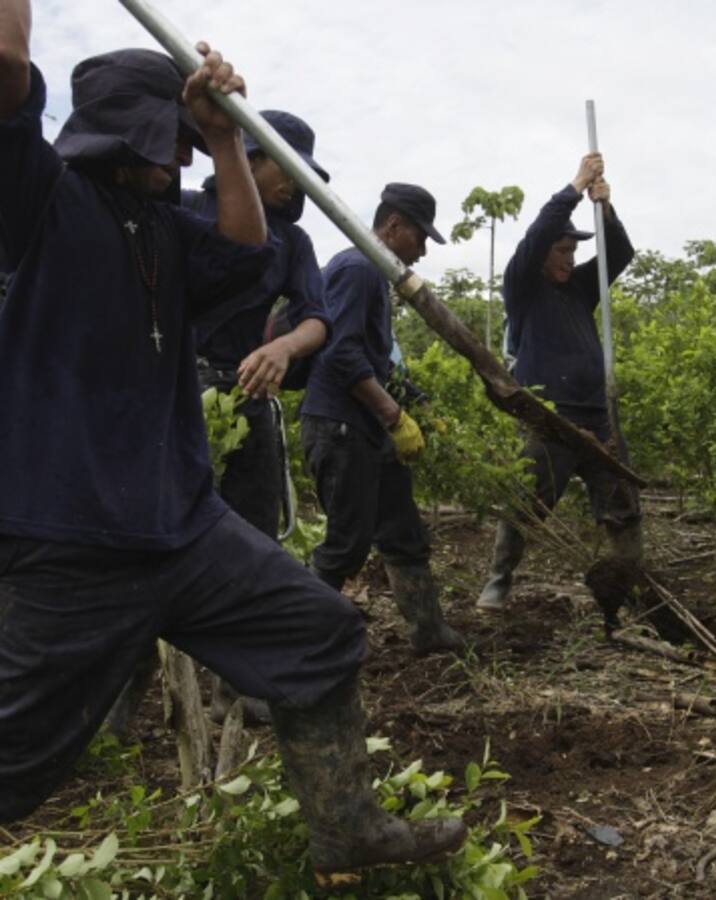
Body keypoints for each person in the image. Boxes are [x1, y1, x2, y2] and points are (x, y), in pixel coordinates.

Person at [0, 2, 465, 882]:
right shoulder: (40, 202)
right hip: (74, 544)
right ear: (121, 139)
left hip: (184, 524)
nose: (178, 155)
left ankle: (347, 828)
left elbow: (250, 249)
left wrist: (223, 141)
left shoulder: (168, 228)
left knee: (319, 631)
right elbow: (6, 70)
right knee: (15, 766)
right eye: (170, 139)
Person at [183, 109, 332, 726]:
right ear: (247, 153)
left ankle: (235, 687)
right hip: (174, 391)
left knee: (252, 538)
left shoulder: (293, 242)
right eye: (285, 167)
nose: (293, 185)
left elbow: (316, 318)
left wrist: (283, 347)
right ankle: (118, 695)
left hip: (246, 394)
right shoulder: (188, 211)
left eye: (302, 175)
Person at [300, 183, 465, 655]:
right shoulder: (357, 269)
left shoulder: (370, 273)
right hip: (341, 428)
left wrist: (418, 402)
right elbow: (341, 353)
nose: (423, 251)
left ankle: (429, 633)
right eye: (421, 238)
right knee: (345, 547)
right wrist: (394, 415)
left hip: (366, 429)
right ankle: (298, 643)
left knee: (403, 534)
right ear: (393, 226)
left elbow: (375, 360)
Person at [476, 152, 642, 613]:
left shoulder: (579, 289)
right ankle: (498, 580)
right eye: (562, 251)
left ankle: (632, 587)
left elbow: (620, 254)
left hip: (598, 414)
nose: (571, 259)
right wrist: (575, 186)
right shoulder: (523, 287)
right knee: (527, 501)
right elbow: (535, 235)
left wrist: (605, 208)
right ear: (543, 254)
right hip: (552, 417)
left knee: (621, 502)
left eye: (574, 251)